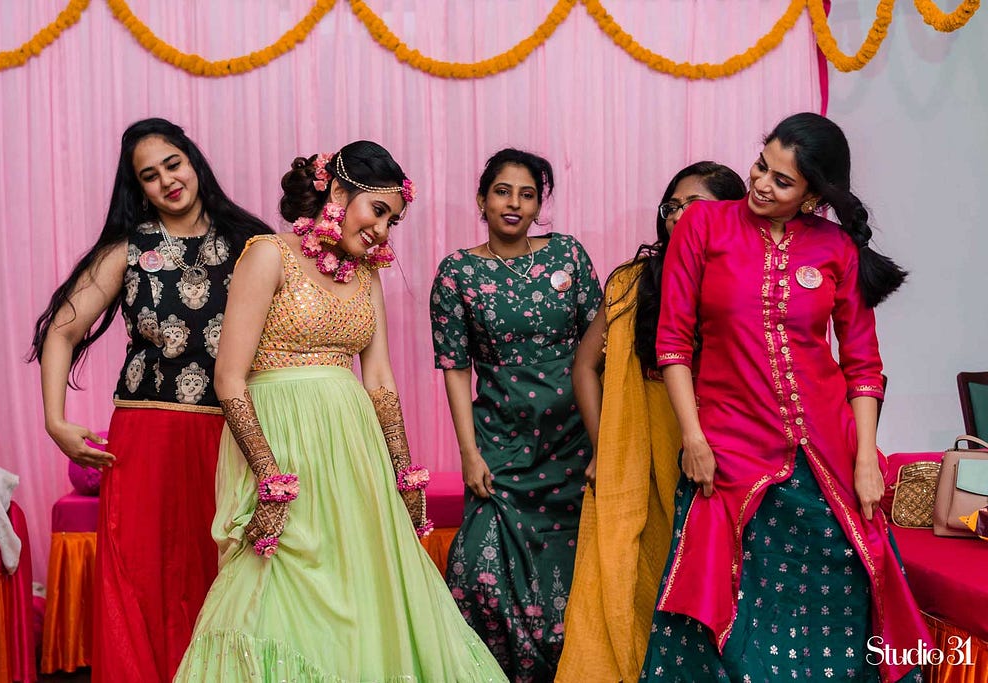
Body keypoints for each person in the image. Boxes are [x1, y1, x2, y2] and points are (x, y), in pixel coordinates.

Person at [174, 142, 507, 681]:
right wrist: (268, 476)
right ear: (336, 189)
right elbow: (229, 378)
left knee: (362, 592)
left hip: (351, 451)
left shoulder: (366, 276)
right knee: (271, 590)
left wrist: (404, 473)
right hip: (282, 446)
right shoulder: (268, 254)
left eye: (393, 221)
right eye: (378, 211)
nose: (383, 231)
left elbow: (377, 379)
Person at [639, 113, 929, 682]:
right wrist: (693, 437)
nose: (762, 184)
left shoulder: (834, 248)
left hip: (827, 454)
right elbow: (673, 342)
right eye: (761, 165)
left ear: (815, 195)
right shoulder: (705, 227)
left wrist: (867, 457)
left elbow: (863, 366)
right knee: (725, 603)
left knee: (845, 594)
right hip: (727, 451)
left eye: (782, 181)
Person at [29, 117, 272, 682]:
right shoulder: (129, 250)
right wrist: (54, 421)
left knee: (226, 575)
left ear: (193, 161)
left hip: (232, 436)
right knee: (143, 578)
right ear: (138, 189)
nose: (167, 181)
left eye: (173, 164)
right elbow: (60, 331)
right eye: (149, 176)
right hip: (146, 440)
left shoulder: (250, 243)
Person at [558, 162, 746, 683]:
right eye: (672, 206)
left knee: (700, 580)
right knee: (625, 575)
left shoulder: (743, 281)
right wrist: (605, 447)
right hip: (637, 450)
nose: (679, 216)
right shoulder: (631, 282)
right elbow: (584, 366)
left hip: (716, 454)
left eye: (695, 206)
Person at [430, 148, 603, 681]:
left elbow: (603, 347)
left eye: (528, 194)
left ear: (538, 205)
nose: (514, 203)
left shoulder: (567, 256)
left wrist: (607, 441)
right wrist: (468, 451)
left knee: (572, 575)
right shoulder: (457, 272)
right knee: (475, 569)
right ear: (482, 200)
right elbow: (456, 368)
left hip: (575, 442)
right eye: (503, 191)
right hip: (501, 442)